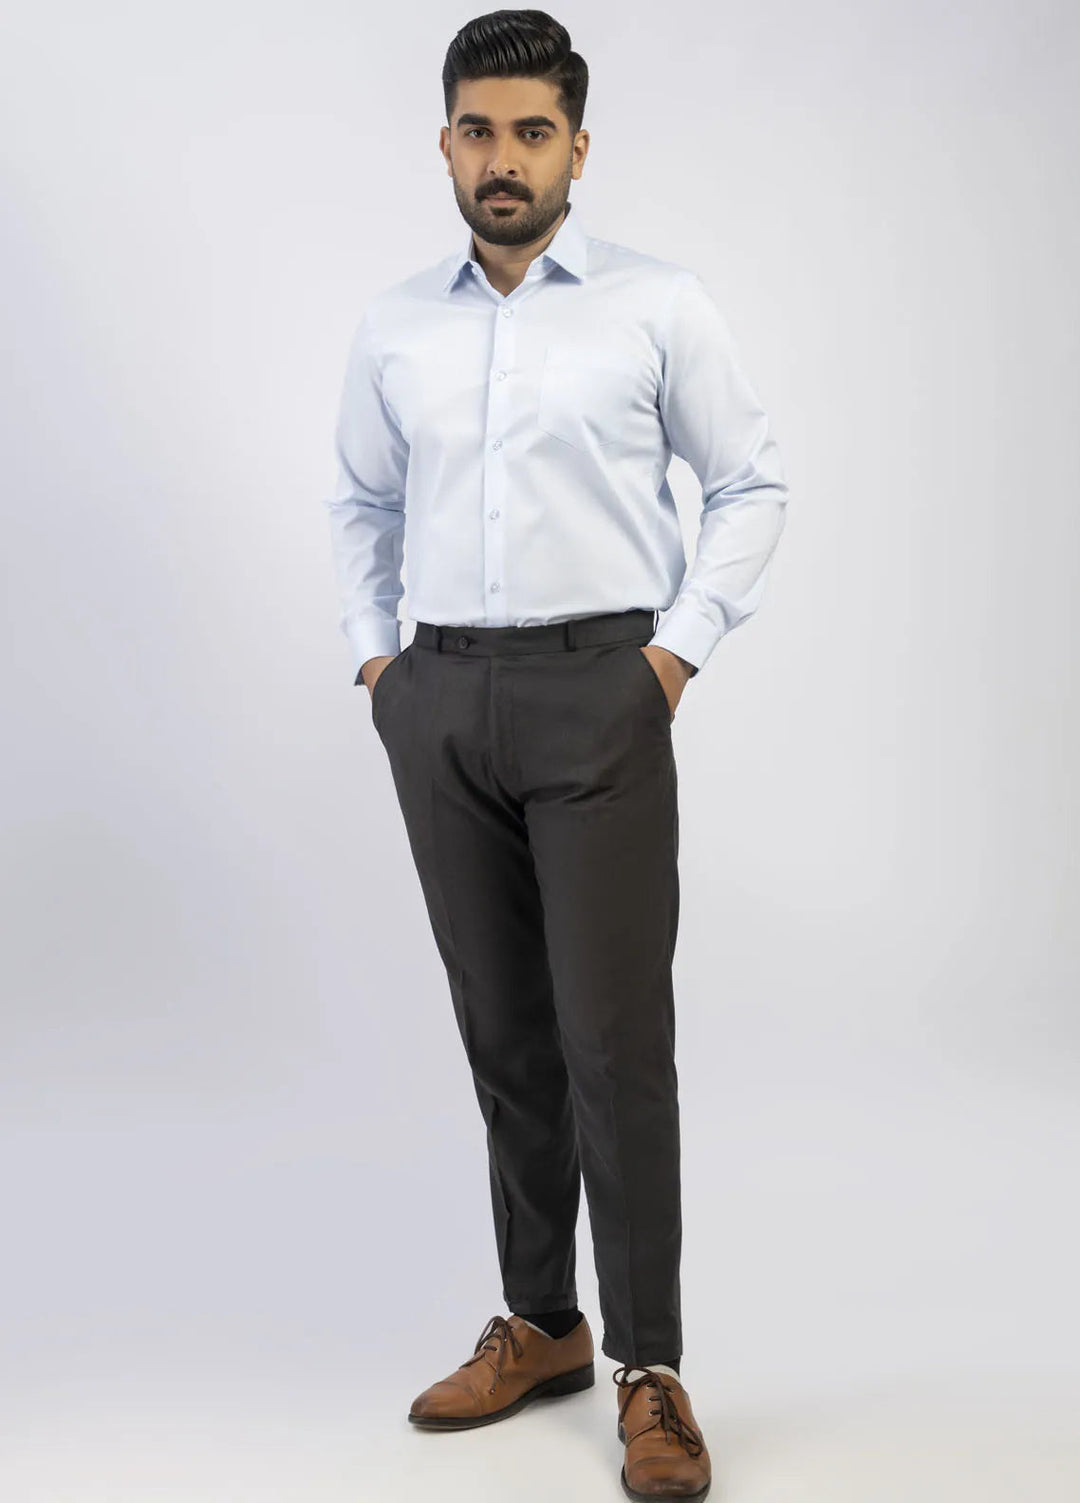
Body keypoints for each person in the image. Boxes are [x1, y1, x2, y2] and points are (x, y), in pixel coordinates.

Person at [323, 11, 788, 1500]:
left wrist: (671, 656)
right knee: (506, 1035)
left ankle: (652, 1369)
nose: (503, 159)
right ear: (445, 144)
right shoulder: (399, 324)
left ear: (579, 149)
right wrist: (383, 667)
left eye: (532, 132)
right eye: (479, 131)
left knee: (612, 1042)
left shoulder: (656, 305)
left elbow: (750, 482)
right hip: (442, 699)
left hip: (602, 691)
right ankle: (541, 1322)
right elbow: (360, 501)